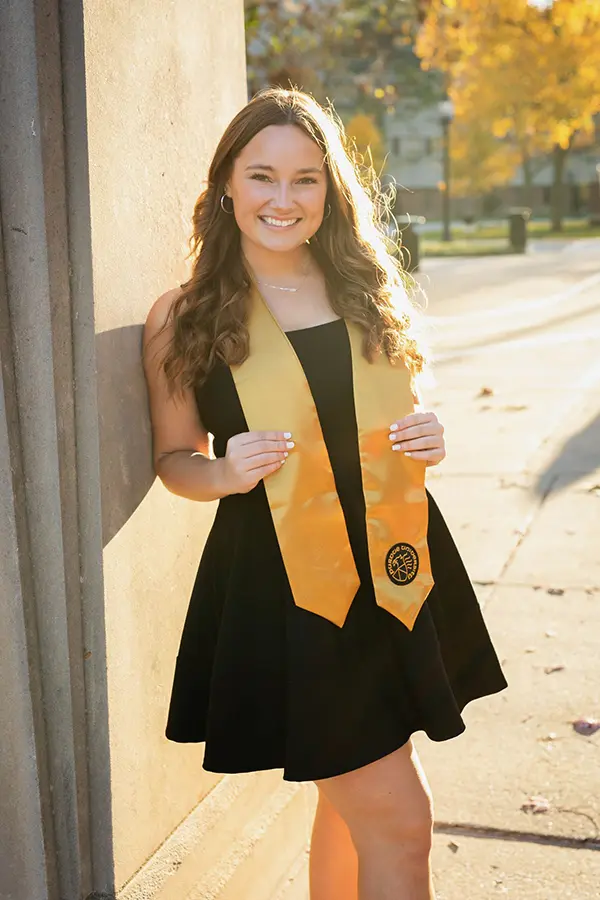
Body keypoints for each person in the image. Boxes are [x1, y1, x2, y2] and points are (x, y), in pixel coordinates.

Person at [142, 87, 508, 900]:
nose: (283, 199)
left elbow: (392, 423)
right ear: (227, 184)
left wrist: (430, 437)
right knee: (399, 818)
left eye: (306, 179)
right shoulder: (188, 316)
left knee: (349, 809)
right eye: (263, 176)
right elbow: (174, 459)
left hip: (394, 567)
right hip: (289, 587)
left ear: (329, 190)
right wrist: (225, 471)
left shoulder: (361, 285)